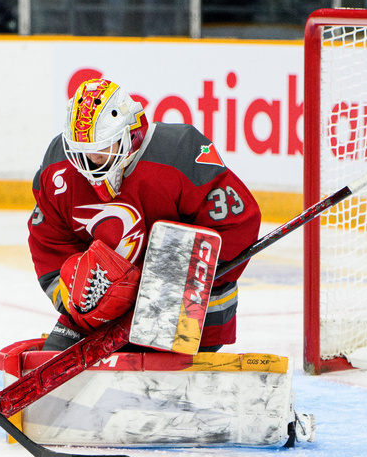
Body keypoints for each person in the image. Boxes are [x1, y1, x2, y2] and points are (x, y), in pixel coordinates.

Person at [29, 78, 261, 353]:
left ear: (130, 134)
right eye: (82, 151)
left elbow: (237, 223)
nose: (90, 160)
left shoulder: (179, 152)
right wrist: (79, 302)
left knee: (150, 381)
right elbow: (49, 241)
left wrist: (175, 284)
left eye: (102, 147)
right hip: (102, 316)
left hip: (188, 312)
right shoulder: (58, 167)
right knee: (49, 363)